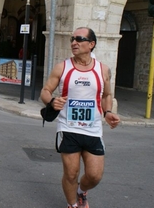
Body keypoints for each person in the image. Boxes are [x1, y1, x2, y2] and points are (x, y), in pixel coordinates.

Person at [40, 27, 120, 208]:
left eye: (79, 39)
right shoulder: (63, 67)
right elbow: (45, 91)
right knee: (71, 173)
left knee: (94, 175)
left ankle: (80, 191)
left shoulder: (102, 70)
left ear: (91, 44)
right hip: (68, 127)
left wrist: (107, 113)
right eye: (72, 39)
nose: (74, 42)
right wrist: (52, 101)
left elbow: (107, 95)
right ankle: (73, 205)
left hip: (93, 129)